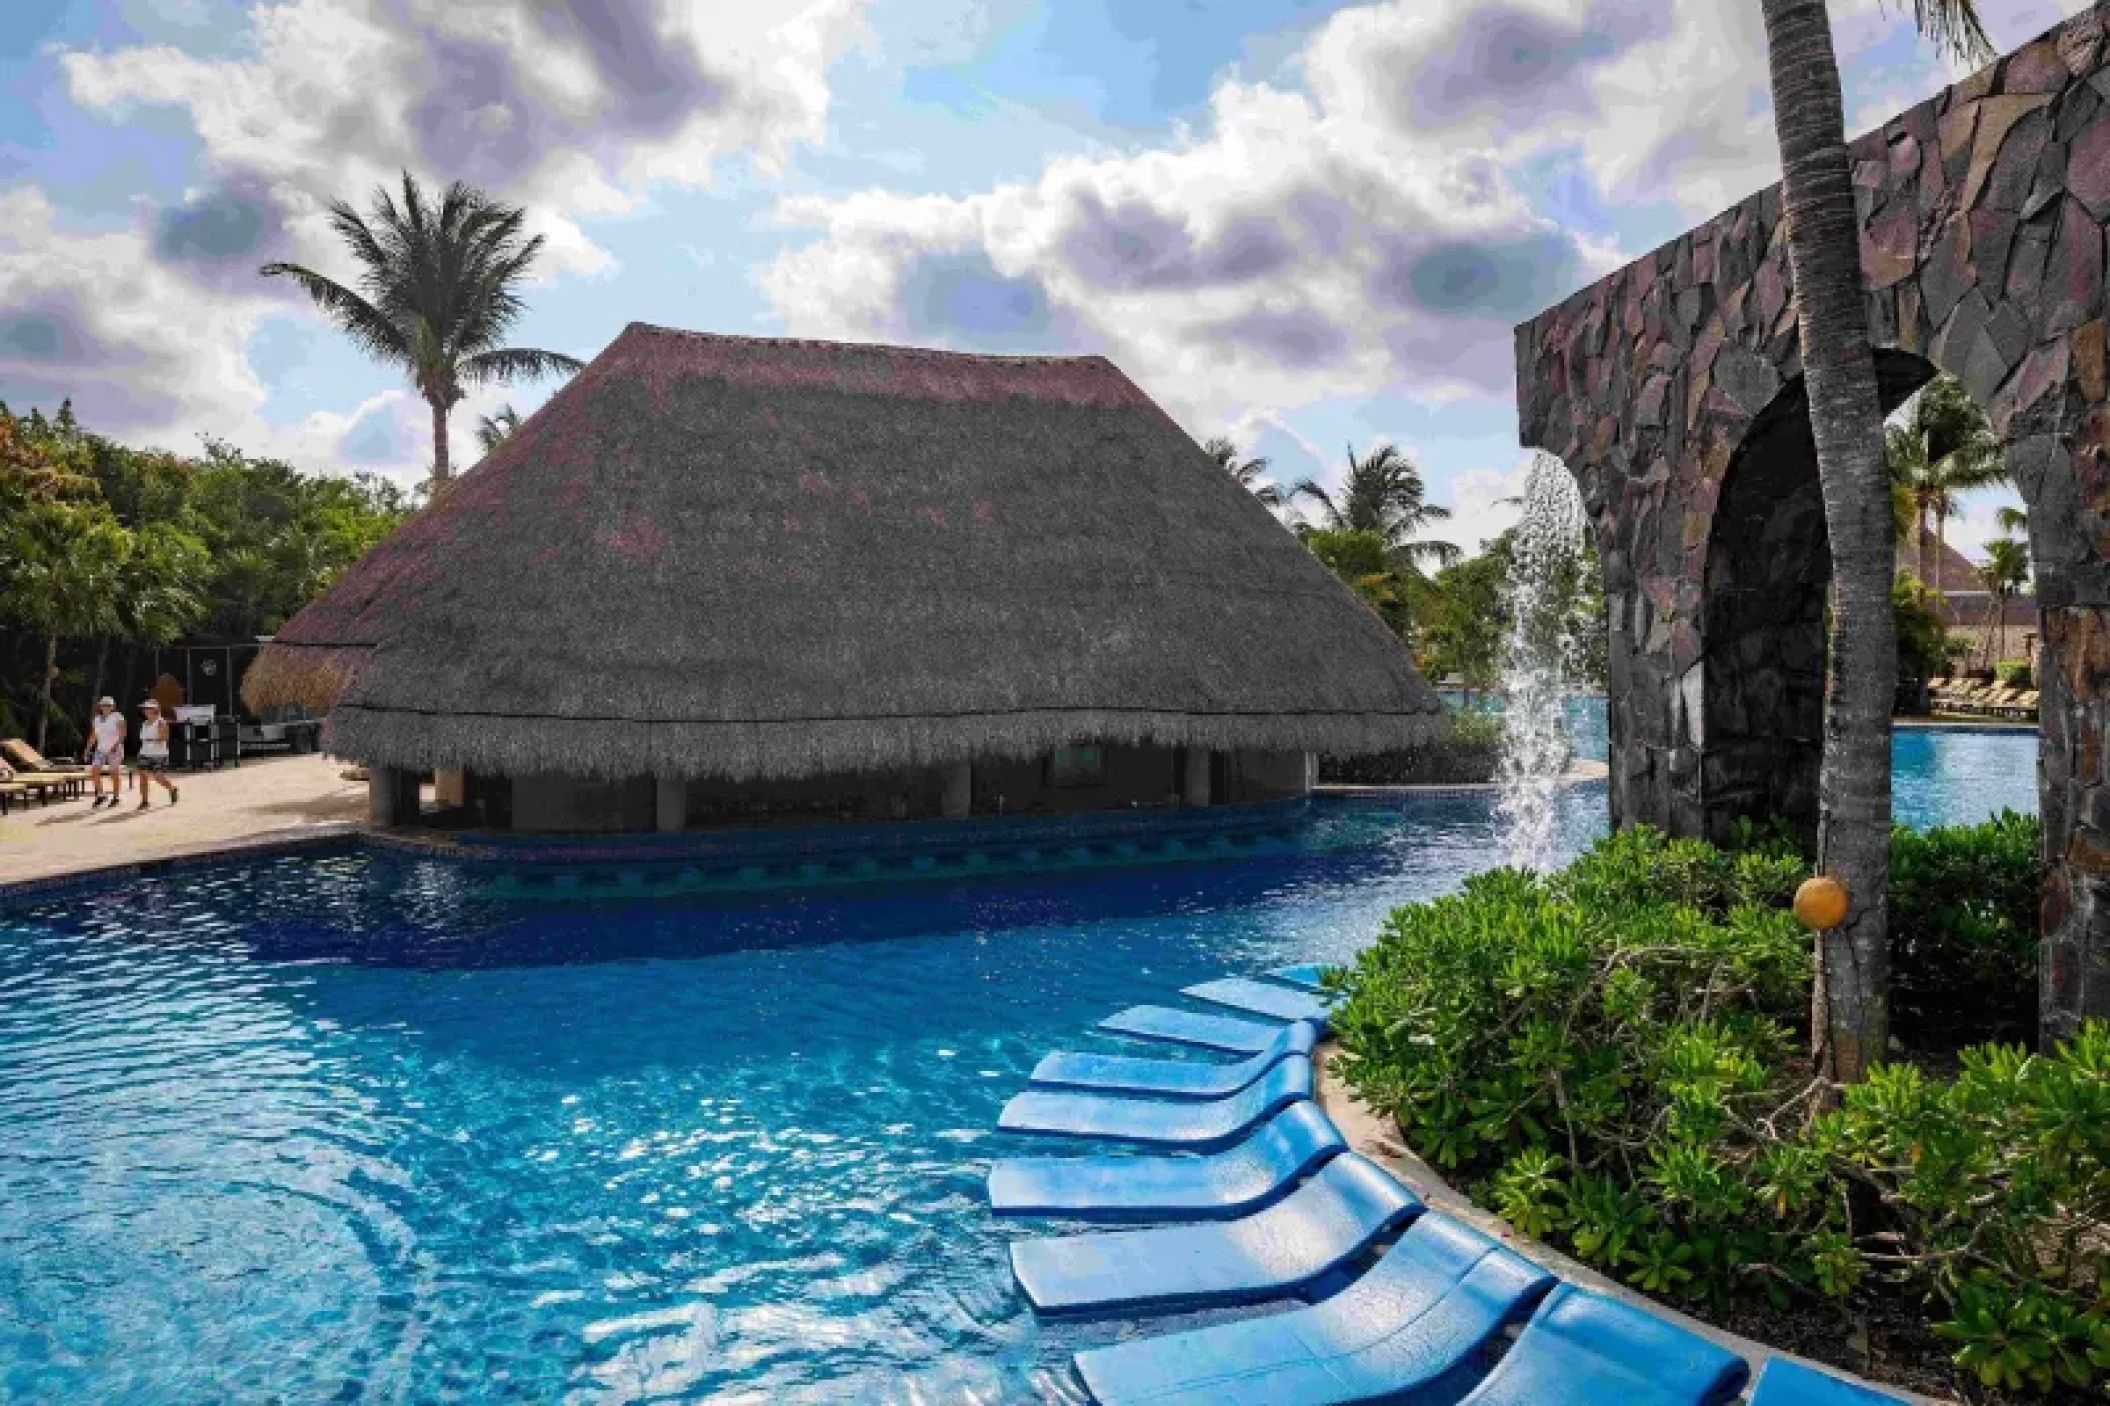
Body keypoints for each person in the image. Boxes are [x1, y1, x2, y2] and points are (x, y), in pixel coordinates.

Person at [81, 696, 127, 809]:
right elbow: (93, 736)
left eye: (109, 705)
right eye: (104, 705)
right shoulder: (96, 719)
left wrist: (116, 745)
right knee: (94, 771)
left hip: (114, 749)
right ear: (100, 706)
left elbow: (123, 732)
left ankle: (116, 797)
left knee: (114, 773)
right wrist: (87, 750)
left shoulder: (117, 716)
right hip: (101, 749)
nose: (106, 707)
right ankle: (101, 795)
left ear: (113, 707)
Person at [134, 700, 178, 810]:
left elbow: (165, 738)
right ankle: (144, 801)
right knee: (143, 777)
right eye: (144, 709)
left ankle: (172, 789)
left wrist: (152, 739)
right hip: (144, 753)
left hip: (159, 754)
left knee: (158, 778)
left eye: (148, 708)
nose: (145, 711)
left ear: (154, 710)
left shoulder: (161, 722)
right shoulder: (144, 724)